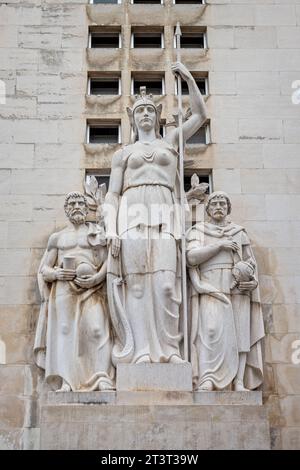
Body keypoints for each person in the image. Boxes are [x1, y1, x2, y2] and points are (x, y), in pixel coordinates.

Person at [104, 62, 207, 365]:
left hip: (164, 211)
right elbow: (112, 193)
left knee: (165, 283)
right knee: (135, 285)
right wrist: (111, 228)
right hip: (131, 212)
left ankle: (169, 349)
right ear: (133, 119)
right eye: (140, 111)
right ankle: (141, 351)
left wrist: (189, 78)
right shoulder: (122, 154)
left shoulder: (170, 143)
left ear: (158, 117)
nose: (145, 114)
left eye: (150, 110)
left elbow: (200, 116)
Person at [34, 192, 115, 391]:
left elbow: (108, 261)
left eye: (81, 203)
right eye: (72, 203)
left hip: (93, 287)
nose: (77, 206)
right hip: (64, 288)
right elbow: (44, 268)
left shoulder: (96, 233)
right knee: (64, 332)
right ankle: (68, 381)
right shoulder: (58, 237)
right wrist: (57, 274)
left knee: (96, 330)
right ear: (67, 209)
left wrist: (97, 277)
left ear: (87, 209)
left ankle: (101, 376)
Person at [186, 191, 265, 391]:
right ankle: (208, 377)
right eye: (214, 204)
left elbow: (250, 263)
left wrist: (252, 282)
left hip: (237, 286)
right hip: (210, 285)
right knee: (209, 331)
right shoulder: (198, 231)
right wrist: (219, 245)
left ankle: (238, 381)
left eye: (222, 203)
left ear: (228, 208)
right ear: (208, 209)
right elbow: (192, 258)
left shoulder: (239, 232)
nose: (219, 206)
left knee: (240, 334)